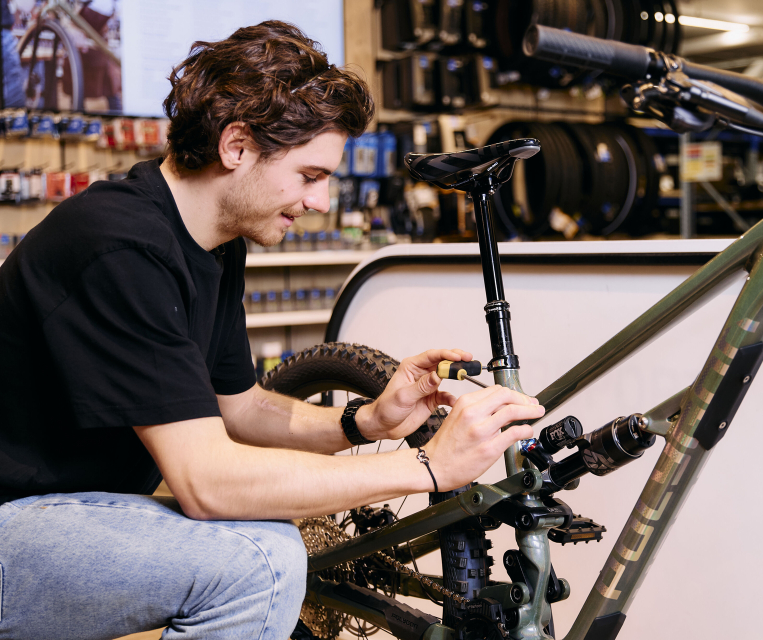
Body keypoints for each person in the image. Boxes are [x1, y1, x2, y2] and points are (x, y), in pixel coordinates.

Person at [0, 20, 543, 640]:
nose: (320, 202)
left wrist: (364, 423)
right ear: (236, 146)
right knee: (260, 562)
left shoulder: (213, 241)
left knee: (266, 537)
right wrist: (426, 468)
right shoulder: (120, 246)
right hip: (13, 523)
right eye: (310, 176)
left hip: (66, 510)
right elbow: (206, 483)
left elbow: (240, 406)